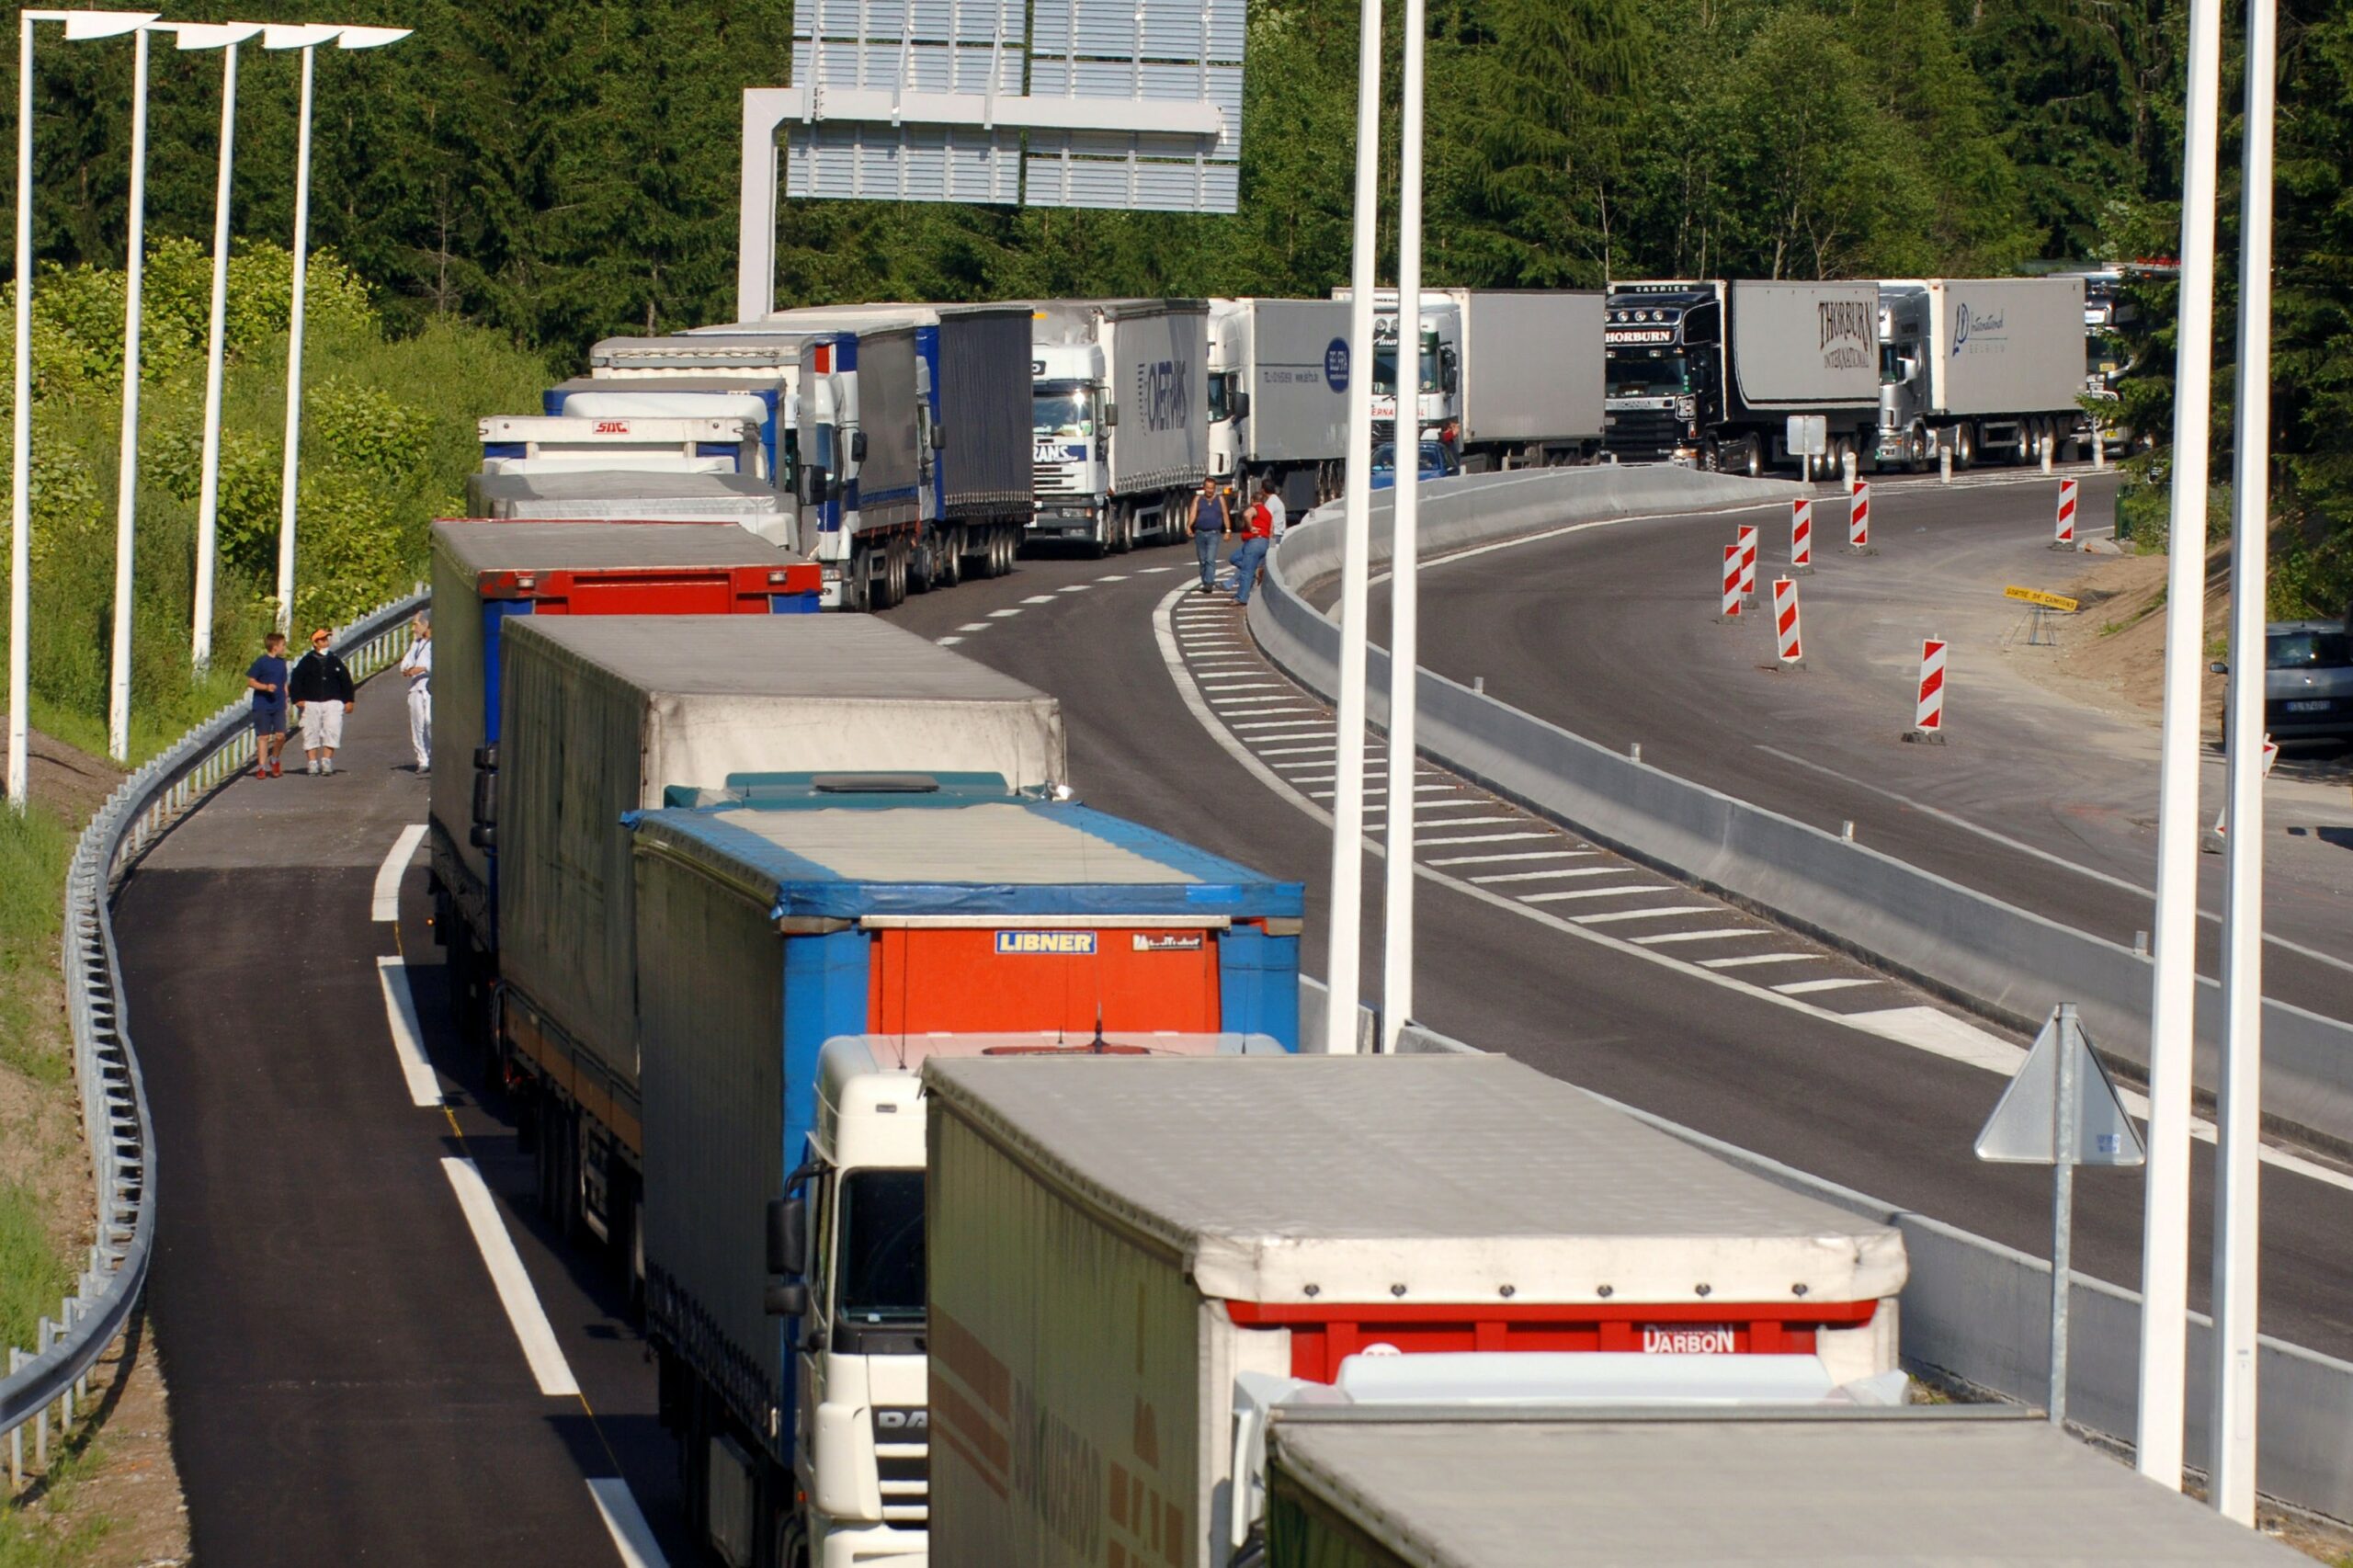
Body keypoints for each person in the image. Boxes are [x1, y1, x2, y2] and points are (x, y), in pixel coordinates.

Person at [290, 627, 356, 776]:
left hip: (333, 700)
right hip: (311, 702)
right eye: (322, 640)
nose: (325, 642)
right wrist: (298, 698)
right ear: (315, 643)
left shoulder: (335, 660)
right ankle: (312, 762)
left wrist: (349, 700)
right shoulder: (306, 662)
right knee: (310, 730)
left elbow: (345, 680)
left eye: (326, 639)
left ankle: (326, 760)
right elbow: (296, 680)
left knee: (332, 729)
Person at [245, 631, 290, 779]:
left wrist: (286, 700)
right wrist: (265, 687)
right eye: (283, 645)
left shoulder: (281, 663)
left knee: (281, 736)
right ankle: (261, 766)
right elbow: (251, 681)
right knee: (263, 736)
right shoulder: (261, 662)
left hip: (278, 704)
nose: (284, 647)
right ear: (275, 647)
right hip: (262, 704)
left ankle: (275, 759)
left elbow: (283, 683)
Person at [397, 614, 432, 774]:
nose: (414, 629)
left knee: (430, 722)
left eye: (416, 624)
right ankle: (423, 759)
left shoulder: (436, 643)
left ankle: (434, 755)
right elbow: (407, 661)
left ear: (427, 625)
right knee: (417, 725)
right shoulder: (416, 644)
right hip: (416, 688)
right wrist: (407, 669)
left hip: (430, 688)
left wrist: (423, 668)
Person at [1229, 484, 1274, 608]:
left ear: (1253, 500)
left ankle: (1242, 597)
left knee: (1245, 572)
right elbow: (1271, 531)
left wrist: (1250, 527)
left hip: (1254, 542)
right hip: (1263, 542)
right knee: (1234, 558)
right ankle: (1254, 570)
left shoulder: (1256, 508)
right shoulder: (1268, 514)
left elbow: (1247, 515)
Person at [1188, 475, 1230, 594]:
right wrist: (1188, 526)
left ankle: (1209, 583)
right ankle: (1205, 581)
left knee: (1210, 559)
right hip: (1200, 533)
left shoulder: (1220, 499)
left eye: (1211, 488)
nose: (1209, 491)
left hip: (1214, 533)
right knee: (1202, 560)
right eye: (1207, 488)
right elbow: (1192, 513)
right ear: (1204, 488)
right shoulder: (1198, 499)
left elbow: (1225, 514)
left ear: (1215, 488)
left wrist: (1228, 530)